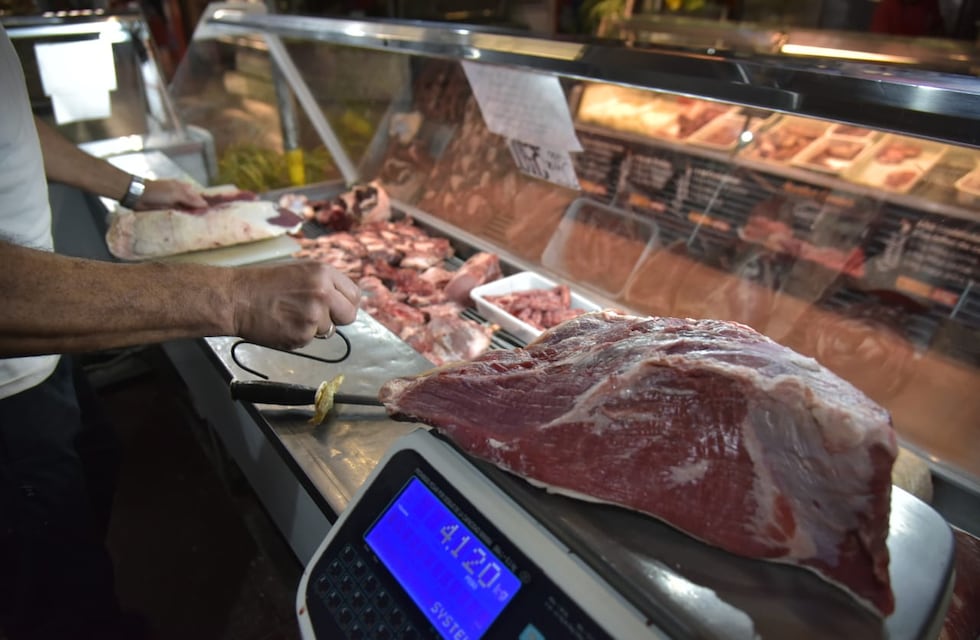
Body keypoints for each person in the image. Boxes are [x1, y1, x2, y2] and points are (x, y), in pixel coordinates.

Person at [0, 24, 359, 640]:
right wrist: (235, 294)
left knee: (93, 465)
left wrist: (134, 188)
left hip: (38, 361)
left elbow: (13, 126)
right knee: (46, 588)